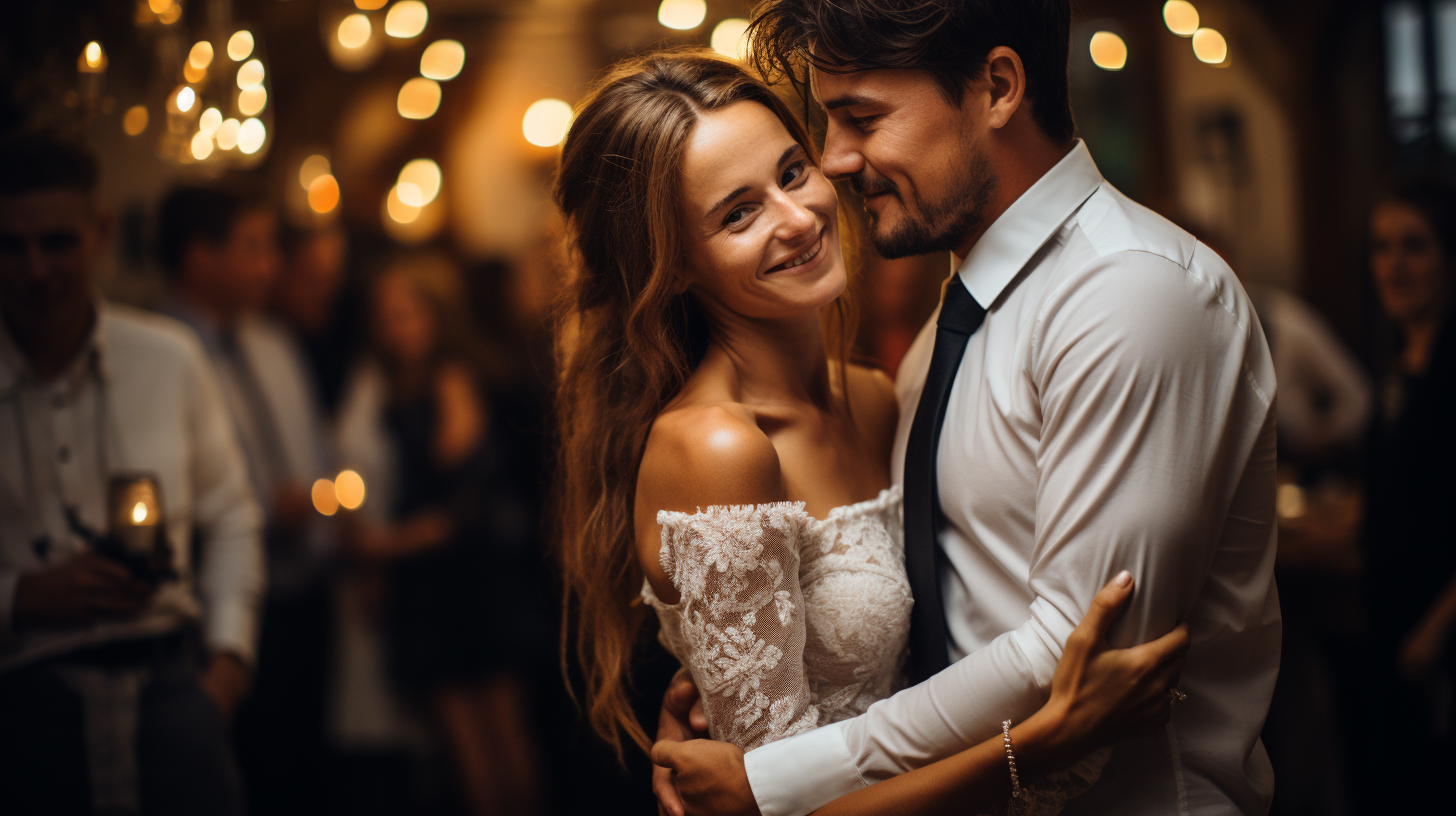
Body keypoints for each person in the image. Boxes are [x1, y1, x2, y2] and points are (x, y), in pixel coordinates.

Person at [649, 2, 1282, 815]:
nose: (835, 161)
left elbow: (1075, 656)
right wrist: (728, 665)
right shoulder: (943, 339)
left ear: (999, 87)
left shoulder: (1132, 293)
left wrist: (780, 779)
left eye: (862, 119)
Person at [0, 132, 263, 815]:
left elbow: (233, 518)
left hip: (173, 690)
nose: (34, 269)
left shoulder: (167, 358)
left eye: (57, 242)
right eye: (11, 245)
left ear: (101, 232)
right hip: (23, 705)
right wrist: (21, 597)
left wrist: (227, 666)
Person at [339, 256, 546, 816]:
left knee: (495, 740)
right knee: (467, 748)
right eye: (384, 316)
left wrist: (375, 548)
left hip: (471, 586)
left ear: (437, 315)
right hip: (436, 591)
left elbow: (461, 509)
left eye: (405, 314)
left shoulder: (452, 379)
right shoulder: (392, 385)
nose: (393, 328)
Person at [157, 185, 338, 815]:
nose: (270, 268)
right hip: (223, 606)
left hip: (307, 592)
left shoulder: (273, 342)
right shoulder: (160, 357)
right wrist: (265, 510)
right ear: (200, 258)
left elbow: (313, 451)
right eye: (253, 249)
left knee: (303, 768)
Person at [1352, 180, 1456, 812]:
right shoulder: (1399, 360)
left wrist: (1437, 633)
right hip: (1392, 619)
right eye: (1382, 247)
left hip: (1438, 632)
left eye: (1414, 247)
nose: (1394, 265)